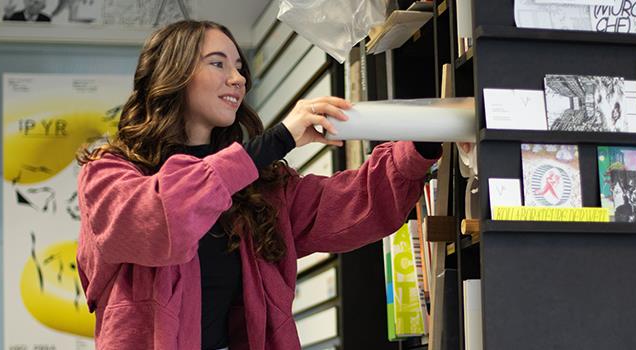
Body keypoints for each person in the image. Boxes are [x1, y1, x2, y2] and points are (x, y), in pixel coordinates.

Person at [75, 20, 441, 350]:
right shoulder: (111, 176)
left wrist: (426, 140)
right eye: (218, 63)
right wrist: (278, 139)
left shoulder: (262, 190)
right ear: (174, 74)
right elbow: (160, 217)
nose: (238, 78)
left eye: (239, 67)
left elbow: (358, 202)